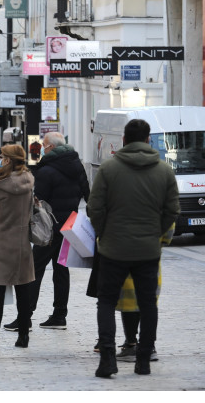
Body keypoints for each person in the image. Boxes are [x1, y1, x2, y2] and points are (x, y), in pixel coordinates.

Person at [87, 119, 179, 377]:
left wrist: (105, 233)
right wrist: (155, 234)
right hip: (148, 251)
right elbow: (172, 210)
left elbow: (95, 209)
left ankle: (107, 360)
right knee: (148, 304)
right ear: (148, 140)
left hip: (112, 250)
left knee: (105, 302)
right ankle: (143, 361)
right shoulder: (164, 171)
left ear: (124, 140)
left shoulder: (108, 169)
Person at [3, 132, 90, 332]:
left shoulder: (47, 170)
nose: (42, 148)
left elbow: (38, 201)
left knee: (34, 270)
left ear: (51, 148)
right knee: (61, 270)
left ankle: (25, 317)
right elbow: (88, 195)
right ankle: (60, 315)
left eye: (44, 145)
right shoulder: (78, 166)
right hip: (69, 226)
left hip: (48, 228)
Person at [0, 145, 35, 350]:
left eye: (2, 157)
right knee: (23, 291)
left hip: (1, 242)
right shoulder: (29, 181)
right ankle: (23, 336)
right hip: (22, 242)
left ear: (8, 159)